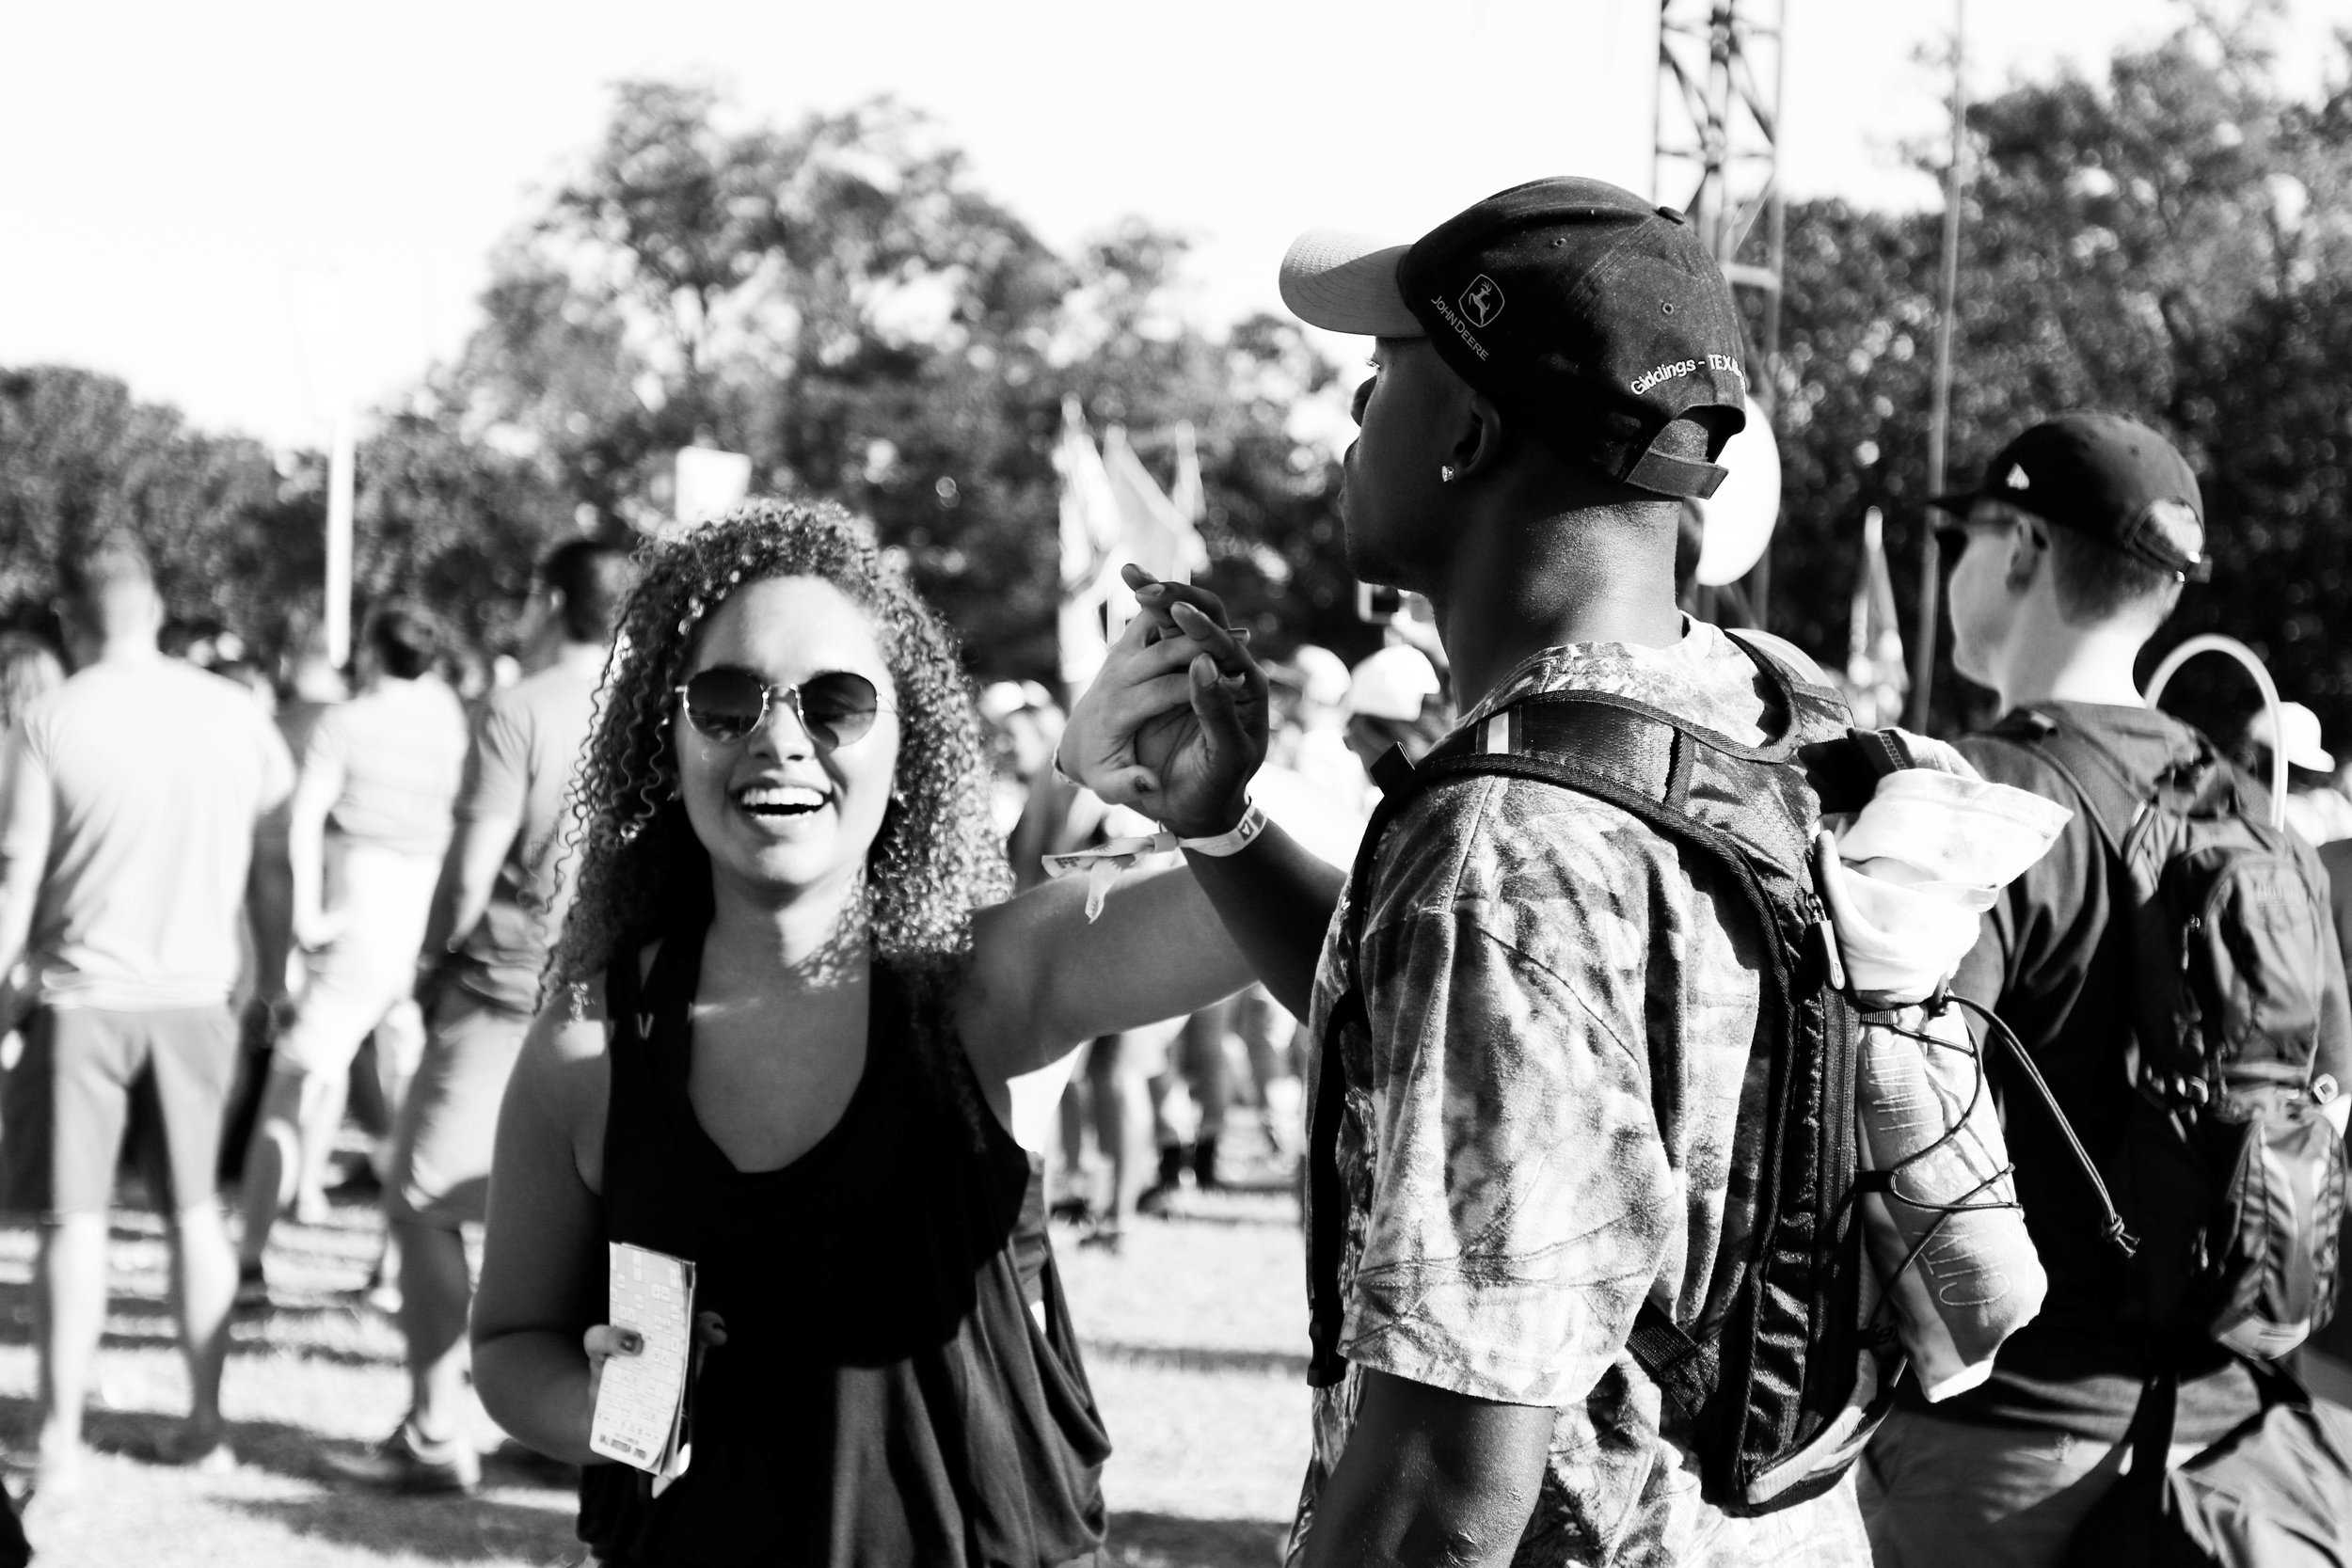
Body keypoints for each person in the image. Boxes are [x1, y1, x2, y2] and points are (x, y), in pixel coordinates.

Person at [1059, 177, 1870, 1564]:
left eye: (1382, 379)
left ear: (1471, 433)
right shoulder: (1765, 709)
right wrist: (1222, 820)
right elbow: (1483, 1085)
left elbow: (1443, 1490)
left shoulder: (1509, 846)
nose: (1348, 421)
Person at [469, 500, 1253, 1564]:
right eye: (725, 699)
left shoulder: (986, 984)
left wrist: (1213, 808)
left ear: (908, 740)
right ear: (668, 734)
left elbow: (1295, 922)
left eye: (835, 702)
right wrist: (604, 1408)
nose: (778, 737)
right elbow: (512, 1343)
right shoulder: (589, 1041)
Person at [1859, 412, 2352, 1562]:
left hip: (1996, 1462)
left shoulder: (1979, 796)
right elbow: (2324, 1111)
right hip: (2223, 1455)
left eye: (1963, 539)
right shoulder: (2255, 821)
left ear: (2023, 546)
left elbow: (1879, 1126)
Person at [332, 539, 636, 1493]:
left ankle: (432, 1430)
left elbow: (471, 869)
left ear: (550, 600)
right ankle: (568, 1432)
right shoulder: (663, 700)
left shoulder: (523, 704)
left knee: (420, 1200)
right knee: (588, 1214)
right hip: (622, 995)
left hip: (507, 986)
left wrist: (429, 963)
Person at [0, 533, 294, 1491]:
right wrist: (272, 976)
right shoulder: (237, 712)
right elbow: (273, 861)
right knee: (195, 1214)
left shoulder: (50, 717)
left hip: (80, 996)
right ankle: (204, 1423)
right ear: (158, 612)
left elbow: (16, 871)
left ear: (74, 621)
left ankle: (57, 1436)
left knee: (72, 1219)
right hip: (198, 994)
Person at [234, 603, 470, 1305]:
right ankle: (392, 1270)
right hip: (426, 913)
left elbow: (305, 817)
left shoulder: (347, 721)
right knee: (408, 1099)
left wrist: (307, 914)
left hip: (360, 906)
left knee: (293, 1080)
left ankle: (249, 1260)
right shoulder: (449, 720)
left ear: (370, 650)